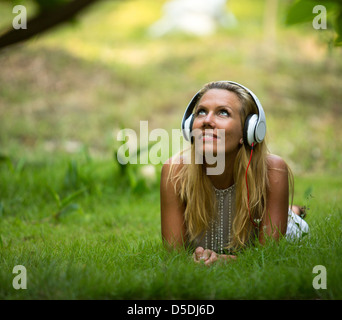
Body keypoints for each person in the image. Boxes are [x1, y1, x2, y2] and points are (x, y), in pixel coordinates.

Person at [160, 81, 309, 266]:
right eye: (201, 112)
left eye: (223, 112)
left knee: (288, 218)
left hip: (290, 228)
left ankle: (292, 212)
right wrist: (194, 259)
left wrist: (226, 261)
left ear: (248, 130)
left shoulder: (273, 170)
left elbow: (269, 256)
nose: (207, 120)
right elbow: (174, 255)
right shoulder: (175, 171)